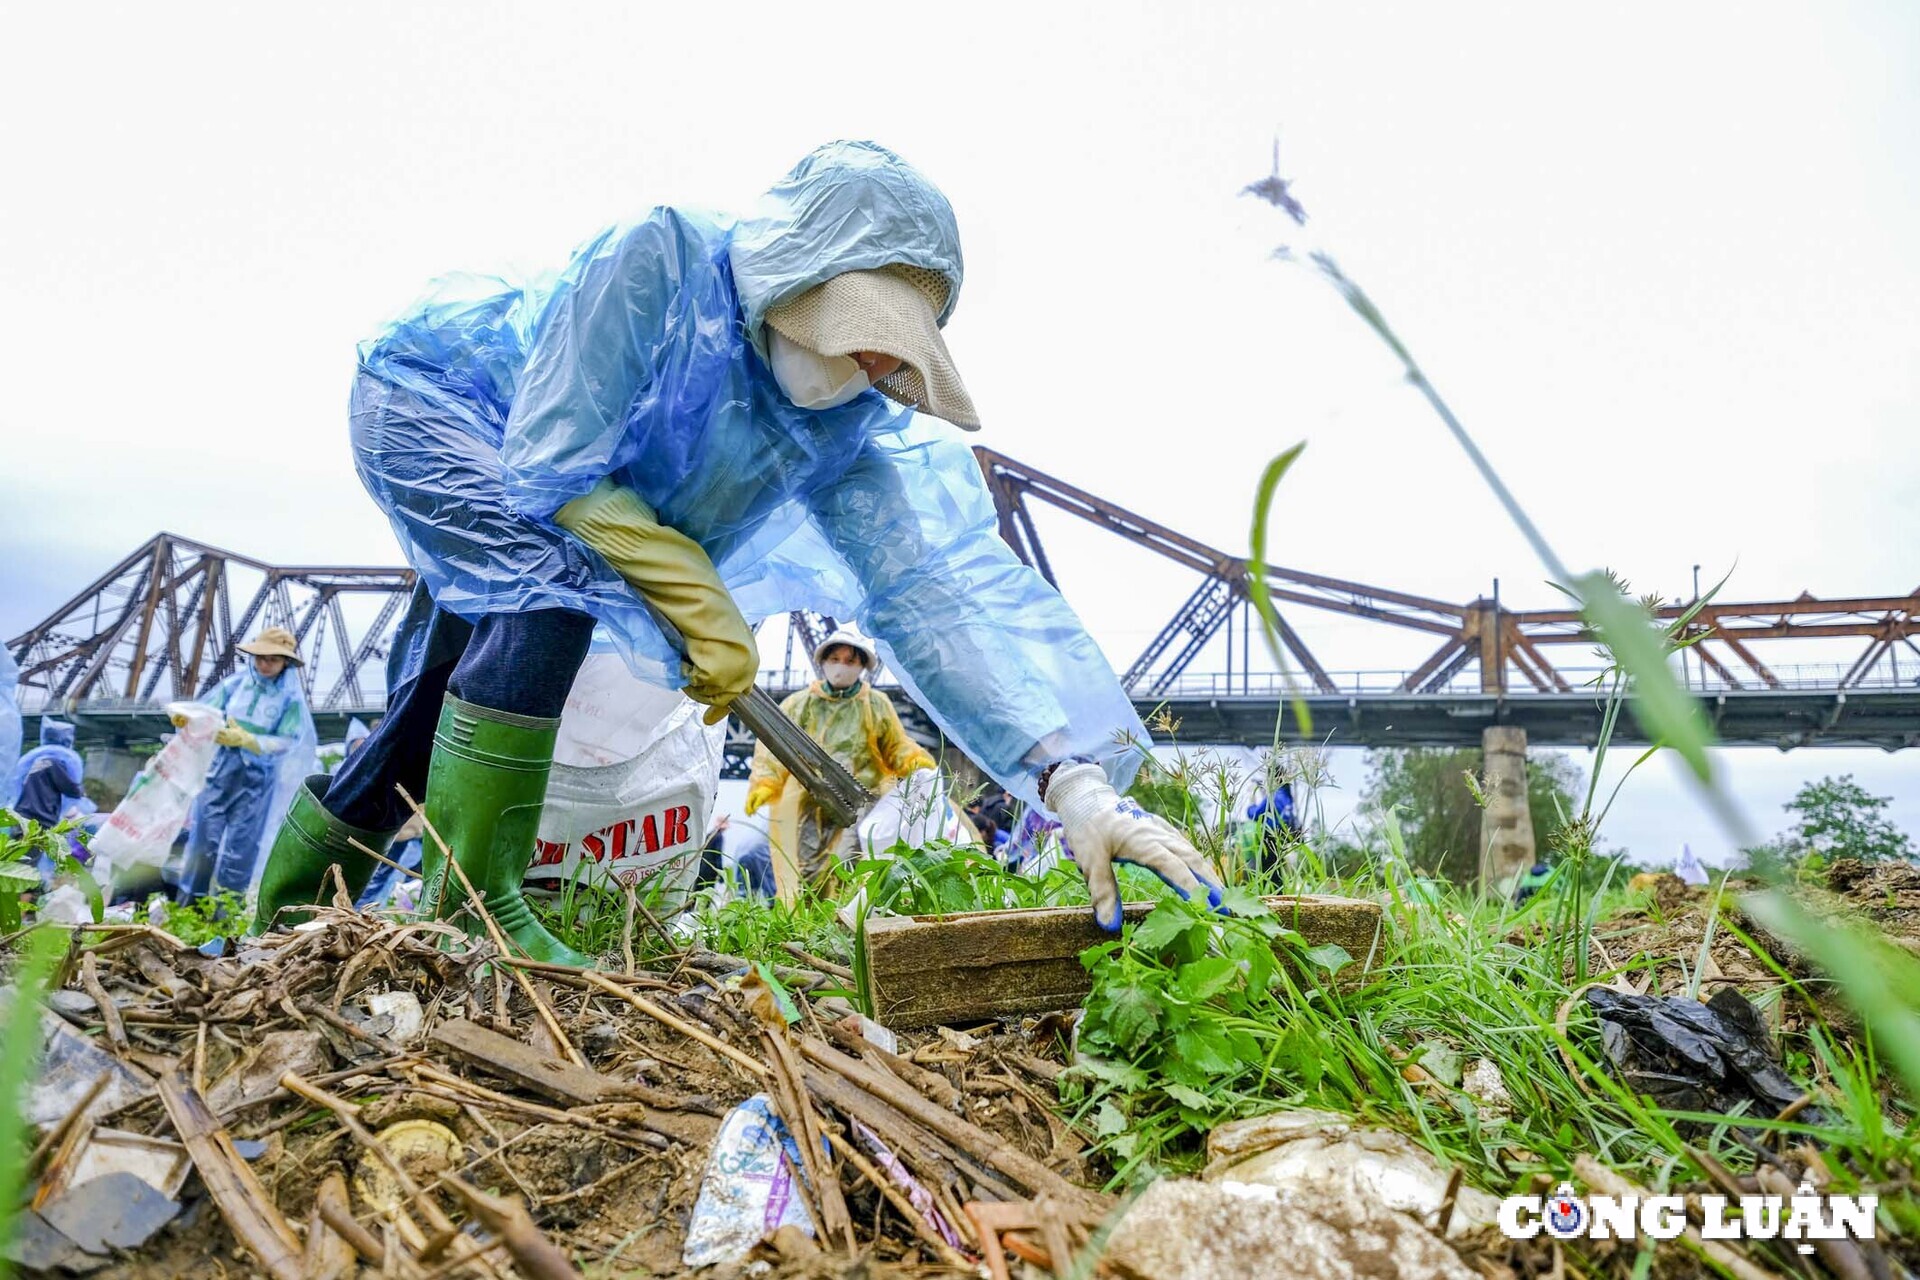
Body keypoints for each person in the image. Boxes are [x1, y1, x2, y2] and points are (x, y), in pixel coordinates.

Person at [251, 140, 1220, 960]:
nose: (876, 366)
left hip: (532, 505)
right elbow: (547, 459)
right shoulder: (660, 264)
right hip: (434, 408)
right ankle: (476, 911)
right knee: (548, 593)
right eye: (866, 324)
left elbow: (931, 600)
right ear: (800, 271)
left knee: (440, 695)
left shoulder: (843, 441)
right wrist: (697, 595)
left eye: (896, 348)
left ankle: (292, 900)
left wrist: (1070, 781)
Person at [745, 628, 935, 886]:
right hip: (812, 803)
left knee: (850, 865)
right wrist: (765, 783)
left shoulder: (875, 704)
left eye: (850, 661)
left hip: (860, 803)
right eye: (835, 659)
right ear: (823, 661)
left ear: (861, 665)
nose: (841, 667)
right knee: (807, 869)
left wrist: (914, 761)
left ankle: (845, 920)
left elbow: (896, 745)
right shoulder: (800, 703)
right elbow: (774, 746)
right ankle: (811, 922)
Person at [175, 628, 316, 902]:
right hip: (220, 769)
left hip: (257, 778)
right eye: (260, 658)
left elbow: (289, 741)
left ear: (285, 663)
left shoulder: (290, 700)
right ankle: (188, 906)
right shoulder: (234, 686)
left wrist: (251, 740)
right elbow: (207, 713)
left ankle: (227, 915)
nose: (265, 665)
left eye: (273, 659)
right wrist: (188, 719)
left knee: (242, 847)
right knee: (203, 841)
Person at [12, 720, 86, 829]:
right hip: (42, 819)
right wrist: (82, 792)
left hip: (20, 817)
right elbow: (72, 790)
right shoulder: (55, 764)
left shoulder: (33, 762)